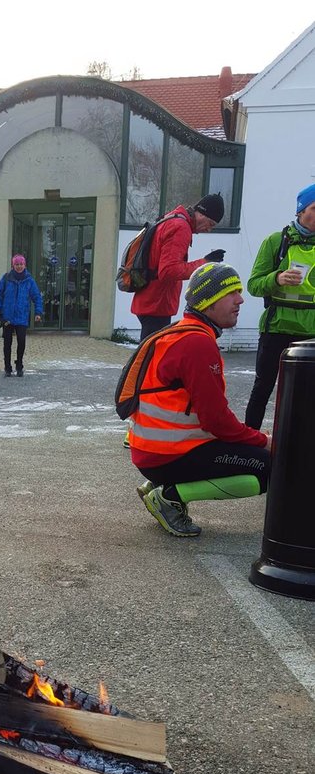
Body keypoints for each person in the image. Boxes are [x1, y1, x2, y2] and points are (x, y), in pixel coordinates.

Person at [129, 262, 271, 538]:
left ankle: (158, 486)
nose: (240, 299)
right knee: (268, 468)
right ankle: (169, 495)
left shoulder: (180, 333)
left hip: (154, 451)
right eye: (231, 293)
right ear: (208, 302)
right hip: (167, 455)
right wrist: (263, 440)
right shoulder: (196, 343)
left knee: (252, 452)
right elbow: (216, 421)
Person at [244, 183, 315, 429]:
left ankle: (301, 446)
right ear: (300, 210)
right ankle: (249, 439)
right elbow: (253, 285)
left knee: (307, 395)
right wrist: (277, 278)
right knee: (262, 388)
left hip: (310, 334)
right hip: (276, 328)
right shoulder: (276, 241)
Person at [131, 194, 227, 341]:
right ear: (201, 214)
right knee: (151, 356)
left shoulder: (172, 218)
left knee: (149, 353)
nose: (209, 230)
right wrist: (205, 263)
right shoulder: (180, 227)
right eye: (211, 224)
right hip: (157, 303)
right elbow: (169, 271)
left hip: (151, 299)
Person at [0, 254, 43, 376]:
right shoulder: (6, 278)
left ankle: (19, 365)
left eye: (21, 264)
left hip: (22, 316)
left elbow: (36, 297)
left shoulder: (29, 280)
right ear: (13, 265)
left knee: (21, 341)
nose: (19, 266)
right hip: (7, 316)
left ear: (24, 265)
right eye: (17, 264)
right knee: (7, 343)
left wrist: (38, 312)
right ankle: (7, 367)